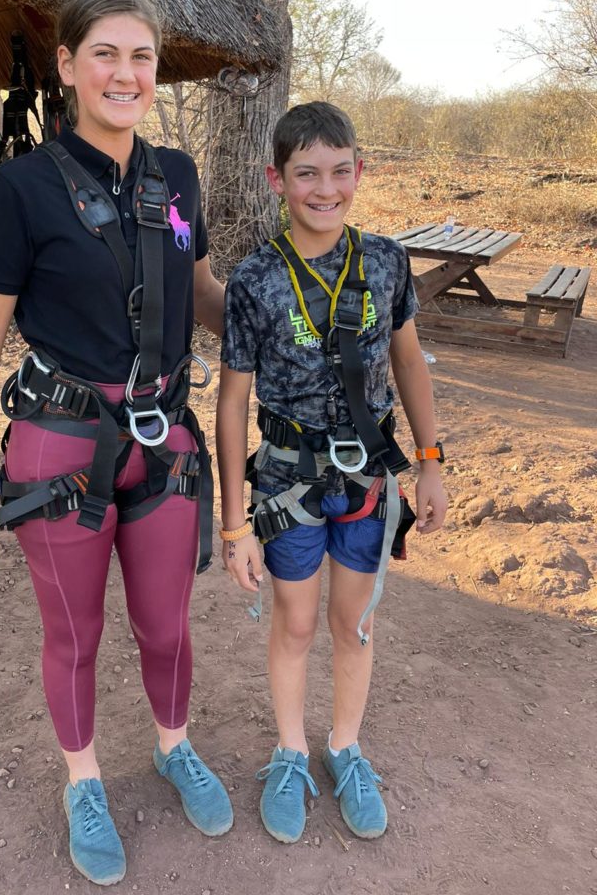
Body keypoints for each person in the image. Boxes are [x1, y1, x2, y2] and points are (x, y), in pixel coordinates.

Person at [0, 0, 232, 886]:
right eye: (104, 53)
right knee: (75, 634)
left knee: (166, 626)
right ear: (67, 65)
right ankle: (83, 780)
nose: (125, 72)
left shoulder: (177, 175)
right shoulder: (20, 189)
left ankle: (174, 746)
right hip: (60, 445)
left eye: (140, 56)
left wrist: (295, 306)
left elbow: (207, 294)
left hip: (167, 445)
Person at [216, 101, 447, 845]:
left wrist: (431, 463)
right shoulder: (254, 279)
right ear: (275, 179)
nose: (325, 188)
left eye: (339, 171)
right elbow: (230, 404)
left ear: (359, 171)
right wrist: (233, 524)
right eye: (306, 173)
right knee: (297, 622)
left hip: (370, 478)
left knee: (356, 623)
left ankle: (345, 747)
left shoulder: (385, 260)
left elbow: (407, 360)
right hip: (286, 481)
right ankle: (289, 752)